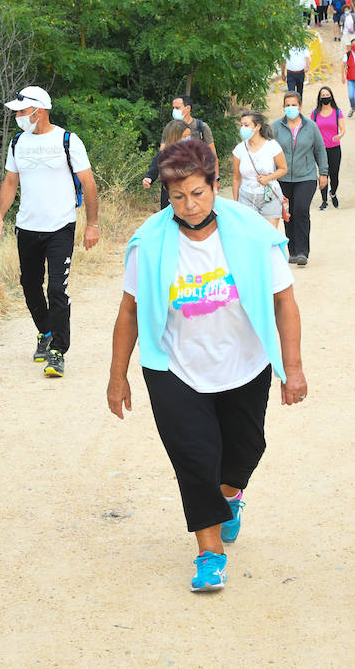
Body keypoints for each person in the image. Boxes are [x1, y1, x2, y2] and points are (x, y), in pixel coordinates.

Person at [107, 138, 308, 593]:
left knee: (244, 452)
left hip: (245, 364)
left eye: (198, 193)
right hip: (174, 368)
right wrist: (117, 376)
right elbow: (129, 312)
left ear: (215, 185)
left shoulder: (253, 234)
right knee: (195, 460)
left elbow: (285, 301)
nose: (189, 204)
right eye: (178, 196)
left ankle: (230, 496)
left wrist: (292, 367)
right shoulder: (149, 242)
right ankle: (209, 553)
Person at [0, 86, 100, 378]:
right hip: (27, 227)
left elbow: (88, 183)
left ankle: (58, 351)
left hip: (60, 226)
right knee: (29, 285)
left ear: (39, 111)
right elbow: (10, 181)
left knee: (56, 289)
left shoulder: (67, 140)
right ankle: (46, 332)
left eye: (22, 111)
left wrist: (92, 224)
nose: (18, 116)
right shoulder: (17, 142)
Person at [272, 90, 328, 266]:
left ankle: (303, 252)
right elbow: (268, 150)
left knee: (301, 210)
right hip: (282, 178)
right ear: (283, 107)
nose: (291, 108)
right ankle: (293, 251)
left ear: (300, 106)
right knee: (288, 214)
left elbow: (320, 150)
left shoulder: (311, 126)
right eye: (287, 105)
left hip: (306, 176)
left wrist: (323, 173)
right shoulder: (275, 127)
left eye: (294, 105)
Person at [230, 110, 287, 229]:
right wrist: (236, 202)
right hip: (246, 197)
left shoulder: (272, 146)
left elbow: (283, 169)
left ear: (258, 126)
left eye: (246, 125)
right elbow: (236, 178)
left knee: (269, 234)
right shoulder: (239, 149)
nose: (243, 128)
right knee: (250, 234)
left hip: (269, 195)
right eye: (241, 125)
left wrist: (268, 178)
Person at [142, 120, 193, 209]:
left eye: (189, 135)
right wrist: (148, 179)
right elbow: (153, 171)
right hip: (170, 201)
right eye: (185, 136)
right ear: (175, 137)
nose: (188, 138)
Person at [312, 86, 345, 210]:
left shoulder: (337, 112)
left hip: (334, 148)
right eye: (323, 95)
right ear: (319, 98)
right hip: (320, 149)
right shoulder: (315, 113)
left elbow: (343, 129)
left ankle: (333, 192)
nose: (325, 97)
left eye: (327, 95)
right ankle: (324, 201)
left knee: (334, 174)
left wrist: (339, 135)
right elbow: (311, 129)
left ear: (331, 96)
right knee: (323, 174)